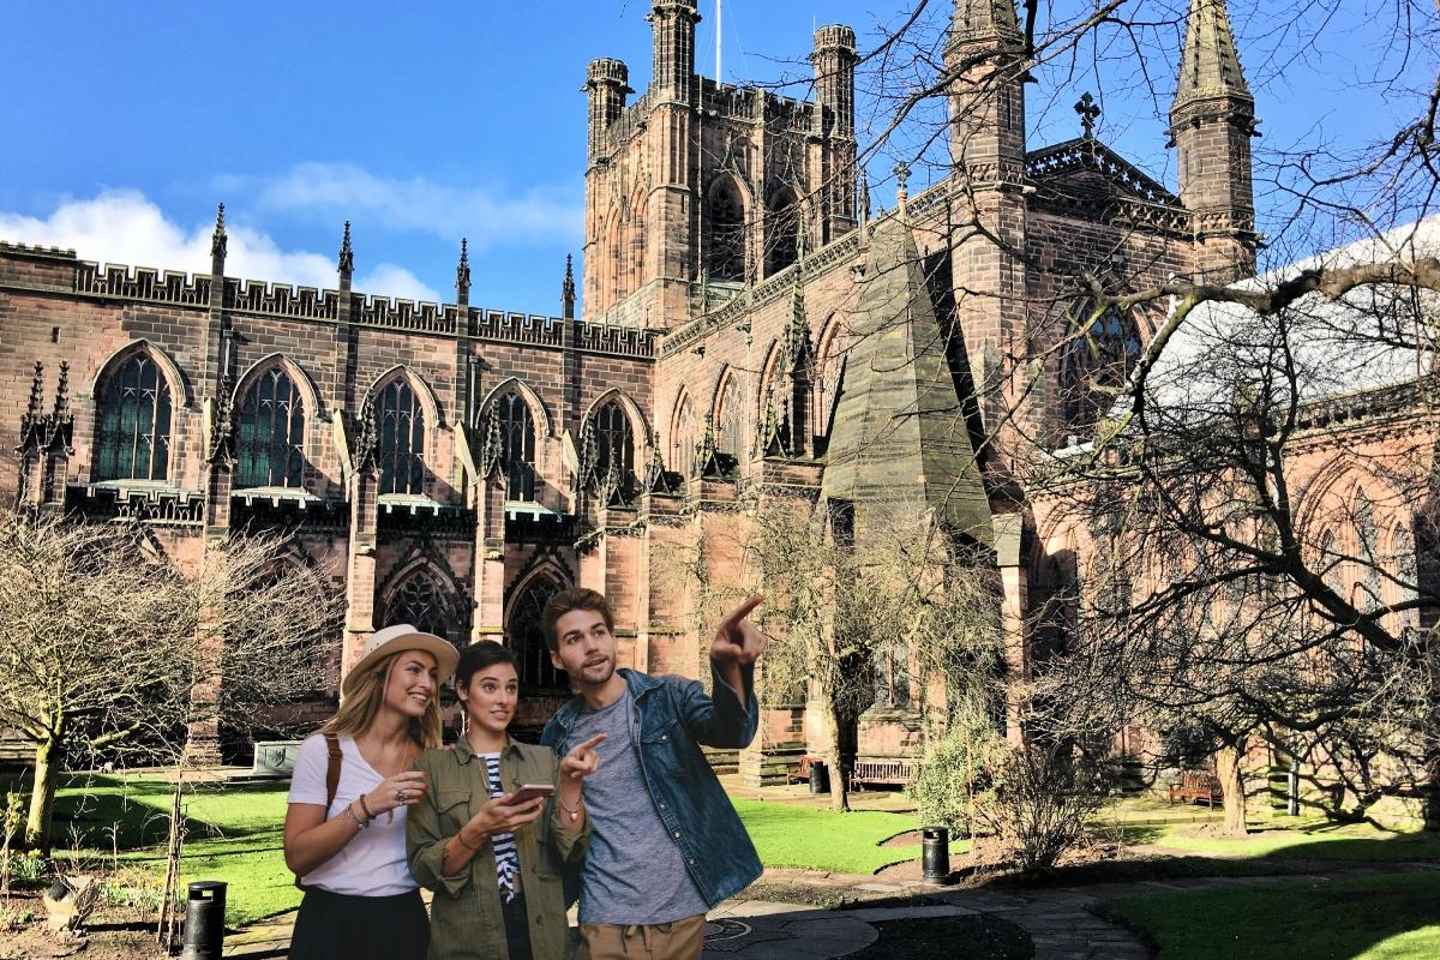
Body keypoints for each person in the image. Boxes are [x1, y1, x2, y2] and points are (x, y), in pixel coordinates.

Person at [540, 588, 767, 960]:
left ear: (613, 638)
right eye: (574, 639)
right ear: (557, 657)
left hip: (680, 917)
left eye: (598, 632)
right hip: (604, 917)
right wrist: (569, 785)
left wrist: (729, 668)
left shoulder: (667, 697)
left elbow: (733, 732)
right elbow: (562, 842)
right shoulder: (558, 735)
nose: (591, 646)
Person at [408, 642, 605, 960]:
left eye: (511, 688)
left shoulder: (544, 760)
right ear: (463, 690)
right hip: (468, 938)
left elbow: (572, 852)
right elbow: (423, 869)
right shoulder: (432, 767)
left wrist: (570, 785)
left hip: (543, 936)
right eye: (490, 687)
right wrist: (477, 831)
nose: (504, 699)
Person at [283, 624, 459, 960]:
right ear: (378, 677)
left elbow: (442, 857)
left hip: (403, 923)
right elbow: (297, 857)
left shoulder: (431, 760)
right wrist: (367, 806)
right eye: (414, 670)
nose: (427, 684)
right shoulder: (324, 751)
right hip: (328, 926)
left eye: (433, 675)